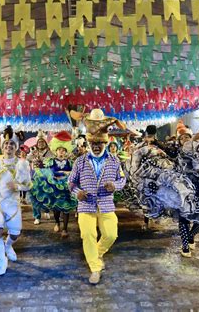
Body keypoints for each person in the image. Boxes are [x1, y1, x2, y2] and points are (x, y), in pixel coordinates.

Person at [68, 109, 126, 284]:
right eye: (93, 142)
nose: (96, 145)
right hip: (86, 205)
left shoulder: (115, 161)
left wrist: (115, 185)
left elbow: (122, 179)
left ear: (105, 143)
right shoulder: (80, 161)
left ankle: (97, 253)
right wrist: (76, 192)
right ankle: (94, 268)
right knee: (88, 235)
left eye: (99, 143)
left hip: (106, 204)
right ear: (88, 142)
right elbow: (71, 182)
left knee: (111, 235)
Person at [0, 129, 32, 276]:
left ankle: (8, 245)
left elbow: (29, 185)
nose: (9, 146)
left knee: (15, 234)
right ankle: (2, 259)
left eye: (12, 144)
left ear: (16, 147)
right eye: (6, 144)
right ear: (2, 146)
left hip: (13, 204)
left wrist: (17, 186)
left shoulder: (22, 164)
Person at [30, 131, 77, 238]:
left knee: (66, 209)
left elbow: (74, 173)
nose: (61, 152)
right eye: (59, 150)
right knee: (55, 209)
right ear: (56, 151)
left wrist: (66, 173)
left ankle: (65, 229)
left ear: (66, 151)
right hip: (54, 188)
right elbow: (48, 173)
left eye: (63, 150)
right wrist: (58, 174)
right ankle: (57, 223)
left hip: (66, 189)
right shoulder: (51, 161)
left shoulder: (70, 162)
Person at [27, 130, 53, 224]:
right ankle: (37, 216)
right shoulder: (33, 151)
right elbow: (27, 158)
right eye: (39, 142)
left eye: (42, 142)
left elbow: (52, 161)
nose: (41, 143)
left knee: (46, 196)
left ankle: (46, 210)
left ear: (45, 142)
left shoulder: (50, 151)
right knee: (34, 197)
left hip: (46, 177)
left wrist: (42, 159)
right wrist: (33, 156)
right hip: (34, 176)